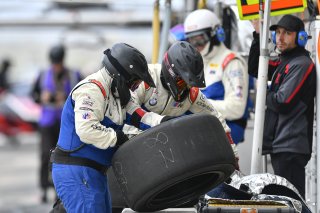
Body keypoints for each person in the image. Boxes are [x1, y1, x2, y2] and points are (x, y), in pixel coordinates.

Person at [50, 43, 168, 213]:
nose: (134, 88)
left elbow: (141, 116)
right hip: (77, 171)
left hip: (95, 172)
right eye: (134, 83)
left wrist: (166, 122)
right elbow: (87, 129)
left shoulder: (116, 93)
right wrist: (120, 137)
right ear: (120, 76)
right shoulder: (91, 90)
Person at [127, 41, 239, 167]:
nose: (186, 88)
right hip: (132, 147)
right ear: (171, 72)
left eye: (190, 83)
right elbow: (126, 112)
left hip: (162, 152)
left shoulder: (192, 94)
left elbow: (216, 119)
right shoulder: (145, 79)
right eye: (182, 82)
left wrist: (233, 155)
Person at [248, 15, 316, 198]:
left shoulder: (302, 64)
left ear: (301, 37)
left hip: (291, 147)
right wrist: (257, 34)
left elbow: (282, 101)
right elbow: (255, 68)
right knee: (285, 201)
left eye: (287, 33)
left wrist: (263, 92)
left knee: (291, 202)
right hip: (281, 145)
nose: (280, 38)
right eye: (278, 32)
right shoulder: (284, 62)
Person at [183, 9, 250, 145]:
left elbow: (236, 108)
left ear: (216, 34)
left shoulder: (231, 62)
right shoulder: (196, 61)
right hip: (198, 128)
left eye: (200, 40)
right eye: (192, 41)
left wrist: (195, 104)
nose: (196, 46)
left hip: (224, 130)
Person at [31, 44, 82, 203]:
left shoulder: (74, 75)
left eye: (59, 63)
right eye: (55, 63)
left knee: (62, 157)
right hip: (47, 121)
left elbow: (83, 94)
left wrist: (65, 96)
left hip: (65, 123)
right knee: (45, 155)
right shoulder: (43, 74)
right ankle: (43, 189)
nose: (57, 67)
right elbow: (33, 95)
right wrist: (42, 98)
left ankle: (59, 191)